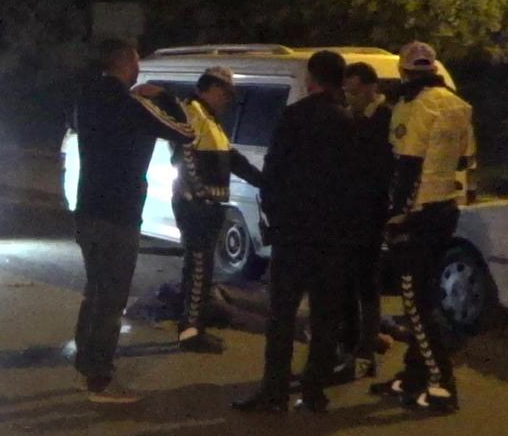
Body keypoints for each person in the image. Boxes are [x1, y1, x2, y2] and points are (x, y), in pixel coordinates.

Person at [71, 40, 195, 403]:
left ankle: (85, 364)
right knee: (112, 299)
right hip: (120, 213)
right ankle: (100, 379)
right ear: (125, 63)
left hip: (88, 209)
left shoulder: (86, 100)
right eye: (136, 61)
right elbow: (186, 132)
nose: (139, 68)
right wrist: (164, 97)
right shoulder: (133, 105)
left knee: (95, 291)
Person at [234, 50, 352, 414]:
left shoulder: (295, 116)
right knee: (325, 315)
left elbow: (274, 171)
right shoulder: (350, 121)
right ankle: (314, 391)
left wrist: (274, 217)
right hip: (333, 233)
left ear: (311, 78)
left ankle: (274, 390)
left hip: (294, 231)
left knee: (282, 314)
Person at [369, 41, 474, 414]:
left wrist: (397, 216)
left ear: (403, 71)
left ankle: (441, 385)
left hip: (417, 215)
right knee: (423, 298)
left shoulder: (413, 107)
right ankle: (413, 376)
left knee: (416, 304)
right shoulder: (458, 105)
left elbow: (407, 165)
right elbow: (465, 160)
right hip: (445, 209)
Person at [172, 66, 265, 353]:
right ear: (210, 88)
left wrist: (266, 182)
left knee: (200, 269)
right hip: (196, 206)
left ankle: (193, 325)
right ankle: (190, 333)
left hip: (206, 206)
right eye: (225, 93)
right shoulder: (192, 113)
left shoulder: (210, 119)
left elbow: (234, 160)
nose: (228, 100)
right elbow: (183, 156)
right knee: (199, 269)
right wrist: (199, 195)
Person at [334, 61, 393, 380]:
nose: (350, 98)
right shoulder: (351, 119)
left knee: (366, 285)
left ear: (372, 88)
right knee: (347, 281)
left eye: (355, 92)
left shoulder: (387, 119)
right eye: (347, 92)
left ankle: (365, 351)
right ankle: (351, 344)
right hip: (349, 213)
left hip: (371, 214)